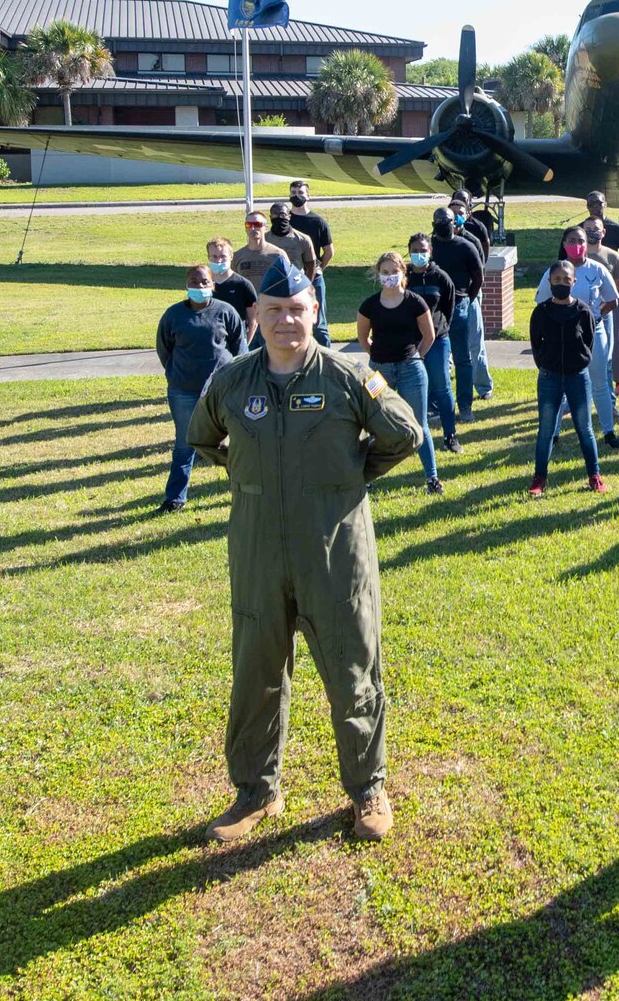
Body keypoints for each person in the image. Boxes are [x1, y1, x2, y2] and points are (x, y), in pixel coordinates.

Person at [187, 259, 422, 844]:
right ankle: (255, 792)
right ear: (256, 316)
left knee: (352, 672)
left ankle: (369, 789)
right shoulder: (231, 382)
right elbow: (201, 437)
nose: (286, 321)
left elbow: (403, 433)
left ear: (315, 311)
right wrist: (252, 477)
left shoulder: (347, 376)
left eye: (296, 310)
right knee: (257, 673)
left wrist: (348, 477)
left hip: (334, 550)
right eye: (274, 312)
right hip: (258, 550)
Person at [155, 263, 247, 513]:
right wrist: (177, 373)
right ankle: (175, 498)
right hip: (183, 390)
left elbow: (240, 350)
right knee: (185, 444)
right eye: (194, 282)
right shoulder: (173, 315)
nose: (199, 286)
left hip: (222, 389)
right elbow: (164, 349)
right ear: (186, 285)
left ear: (213, 285)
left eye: (204, 282)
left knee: (234, 441)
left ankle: (243, 491)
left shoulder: (226, 312)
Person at [357, 250, 443, 494]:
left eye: (394, 272)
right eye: (385, 273)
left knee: (419, 423)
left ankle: (432, 478)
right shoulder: (370, 305)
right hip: (378, 372)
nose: (389, 277)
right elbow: (364, 338)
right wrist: (377, 355)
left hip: (411, 369)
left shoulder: (415, 301)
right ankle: (367, 477)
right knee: (373, 421)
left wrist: (416, 356)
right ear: (378, 274)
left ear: (403, 274)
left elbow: (428, 336)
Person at [535, 225, 619, 450]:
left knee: (600, 382)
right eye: (572, 241)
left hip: (595, 332)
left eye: (581, 241)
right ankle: (553, 433)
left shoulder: (598, 269)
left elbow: (613, 299)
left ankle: (608, 431)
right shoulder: (554, 271)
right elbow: (541, 302)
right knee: (561, 384)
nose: (577, 245)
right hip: (563, 334)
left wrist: (595, 317)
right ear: (564, 245)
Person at [527, 260, 607, 496]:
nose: (561, 283)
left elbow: (588, 343)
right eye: (556, 280)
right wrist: (546, 365)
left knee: (585, 428)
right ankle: (539, 477)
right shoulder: (541, 312)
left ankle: (594, 475)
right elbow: (535, 345)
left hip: (577, 377)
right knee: (546, 430)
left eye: (566, 279)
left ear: (574, 281)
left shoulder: (583, 311)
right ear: (550, 282)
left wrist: (578, 363)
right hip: (549, 377)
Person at [404, 232, 461, 453]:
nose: (419, 254)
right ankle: (410, 438)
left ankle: (450, 435)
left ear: (431, 252)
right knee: (410, 389)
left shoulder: (441, 278)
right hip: (409, 341)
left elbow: (449, 308)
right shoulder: (404, 276)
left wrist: (437, 329)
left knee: (442, 387)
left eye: (423, 250)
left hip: (437, 341)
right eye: (415, 250)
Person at [429, 206, 485, 421]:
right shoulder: (429, 246)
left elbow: (478, 278)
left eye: (448, 220)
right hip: (433, 307)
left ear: (456, 223)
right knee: (433, 357)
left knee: (462, 358)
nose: (444, 224)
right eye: (440, 220)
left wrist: (467, 298)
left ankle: (465, 406)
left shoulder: (466, 246)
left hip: (459, 304)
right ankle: (435, 405)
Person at [583, 192, 619, 397]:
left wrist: (613, 290)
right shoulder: (580, 230)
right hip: (585, 299)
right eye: (591, 203)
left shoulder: (617, 230)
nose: (595, 206)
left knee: (615, 342)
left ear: (606, 204)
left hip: (611, 297)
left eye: (599, 203)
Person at [448, 192, 495, 402]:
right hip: (446, 301)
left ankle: (483, 387)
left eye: (460, 213)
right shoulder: (439, 239)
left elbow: (479, 270)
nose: (456, 216)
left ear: (467, 214)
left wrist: (471, 297)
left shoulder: (472, 239)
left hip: (469, 297)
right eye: (452, 213)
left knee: (475, 343)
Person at [285, 180, 335, 348]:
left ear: (308, 196)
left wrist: (319, 268)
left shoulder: (318, 222)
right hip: (291, 278)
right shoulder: (285, 221)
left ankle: (326, 359)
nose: (297, 196)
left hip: (314, 278)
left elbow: (329, 251)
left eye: (301, 193)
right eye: (293, 193)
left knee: (319, 324)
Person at [205, 236, 259, 330]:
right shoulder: (202, 283)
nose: (219, 261)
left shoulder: (243, 285)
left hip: (235, 340)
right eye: (214, 256)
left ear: (231, 256)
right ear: (208, 257)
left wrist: (244, 344)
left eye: (223, 256)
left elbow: (253, 321)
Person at [266, 201, 320, 291]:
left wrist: (305, 286)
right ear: (270, 217)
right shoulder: (264, 239)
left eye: (283, 215)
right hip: (271, 286)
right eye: (275, 215)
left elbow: (311, 267)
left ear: (289, 217)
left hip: (296, 285)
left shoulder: (303, 239)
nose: (279, 218)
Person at [233, 211, 284, 288]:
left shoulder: (278, 255)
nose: (253, 228)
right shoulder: (237, 256)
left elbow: (287, 281)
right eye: (249, 225)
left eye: (257, 225)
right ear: (245, 228)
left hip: (272, 299)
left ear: (266, 228)